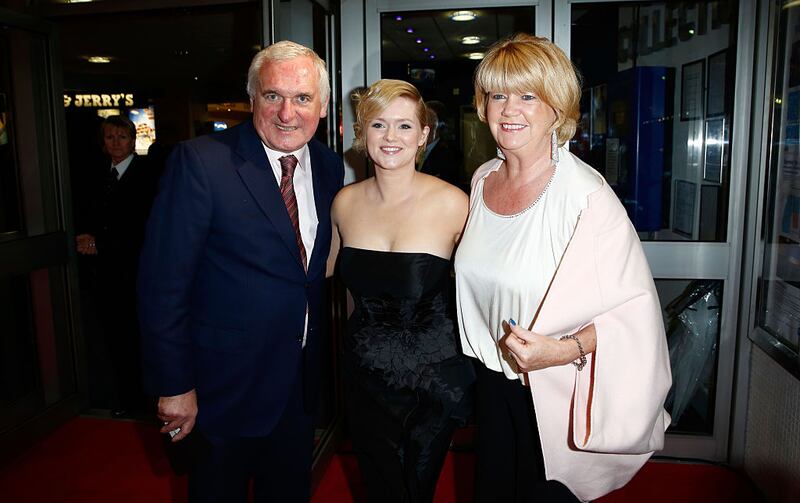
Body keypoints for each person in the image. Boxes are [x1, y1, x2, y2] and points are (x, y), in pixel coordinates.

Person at [455, 34, 672, 503]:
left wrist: (561, 350)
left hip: (553, 393)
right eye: (498, 95)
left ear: (558, 107)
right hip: (492, 385)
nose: (510, 109)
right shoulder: (482, 181)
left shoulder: (583, 196)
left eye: (528, 95)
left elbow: (636, 316)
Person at [137, 40, 344, 502]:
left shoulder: (330, 167)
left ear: (324, 106)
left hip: (298, 387)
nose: (287, 113)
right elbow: (162, 286)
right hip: (220, 392)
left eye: (303, 98)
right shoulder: (202, 162)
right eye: (273, 96)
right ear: (252, 99)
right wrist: (174, 386)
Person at [328, 79, 474, 503]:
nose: (391, 137)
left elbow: (487, 285)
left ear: (424, 134)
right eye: (379, 125)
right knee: (377, 485)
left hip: (431, 382)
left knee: (415, 487)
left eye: (405, 126)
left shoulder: (454, 204)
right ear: (362, 132)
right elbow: (320, 271)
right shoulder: (344, 202)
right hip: (364, 376)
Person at [75, 115, 158, 418]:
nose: (116, 143)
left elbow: (143, 228)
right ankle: (127, 399)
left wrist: (103, 245)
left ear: (133, 140)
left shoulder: (148, 175)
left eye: (122, 137)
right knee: (113, 341)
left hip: (136, 275)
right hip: (105, 276)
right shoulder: (97, 174)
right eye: (110, 137)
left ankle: (145, 403)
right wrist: (86, 237)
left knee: (137, 340)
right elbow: (92, 216)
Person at [419, 102, 462, 187]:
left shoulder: (447, 155)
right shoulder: (415, 150)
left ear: (437, 125)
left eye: (426, 120)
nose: (421, 124)